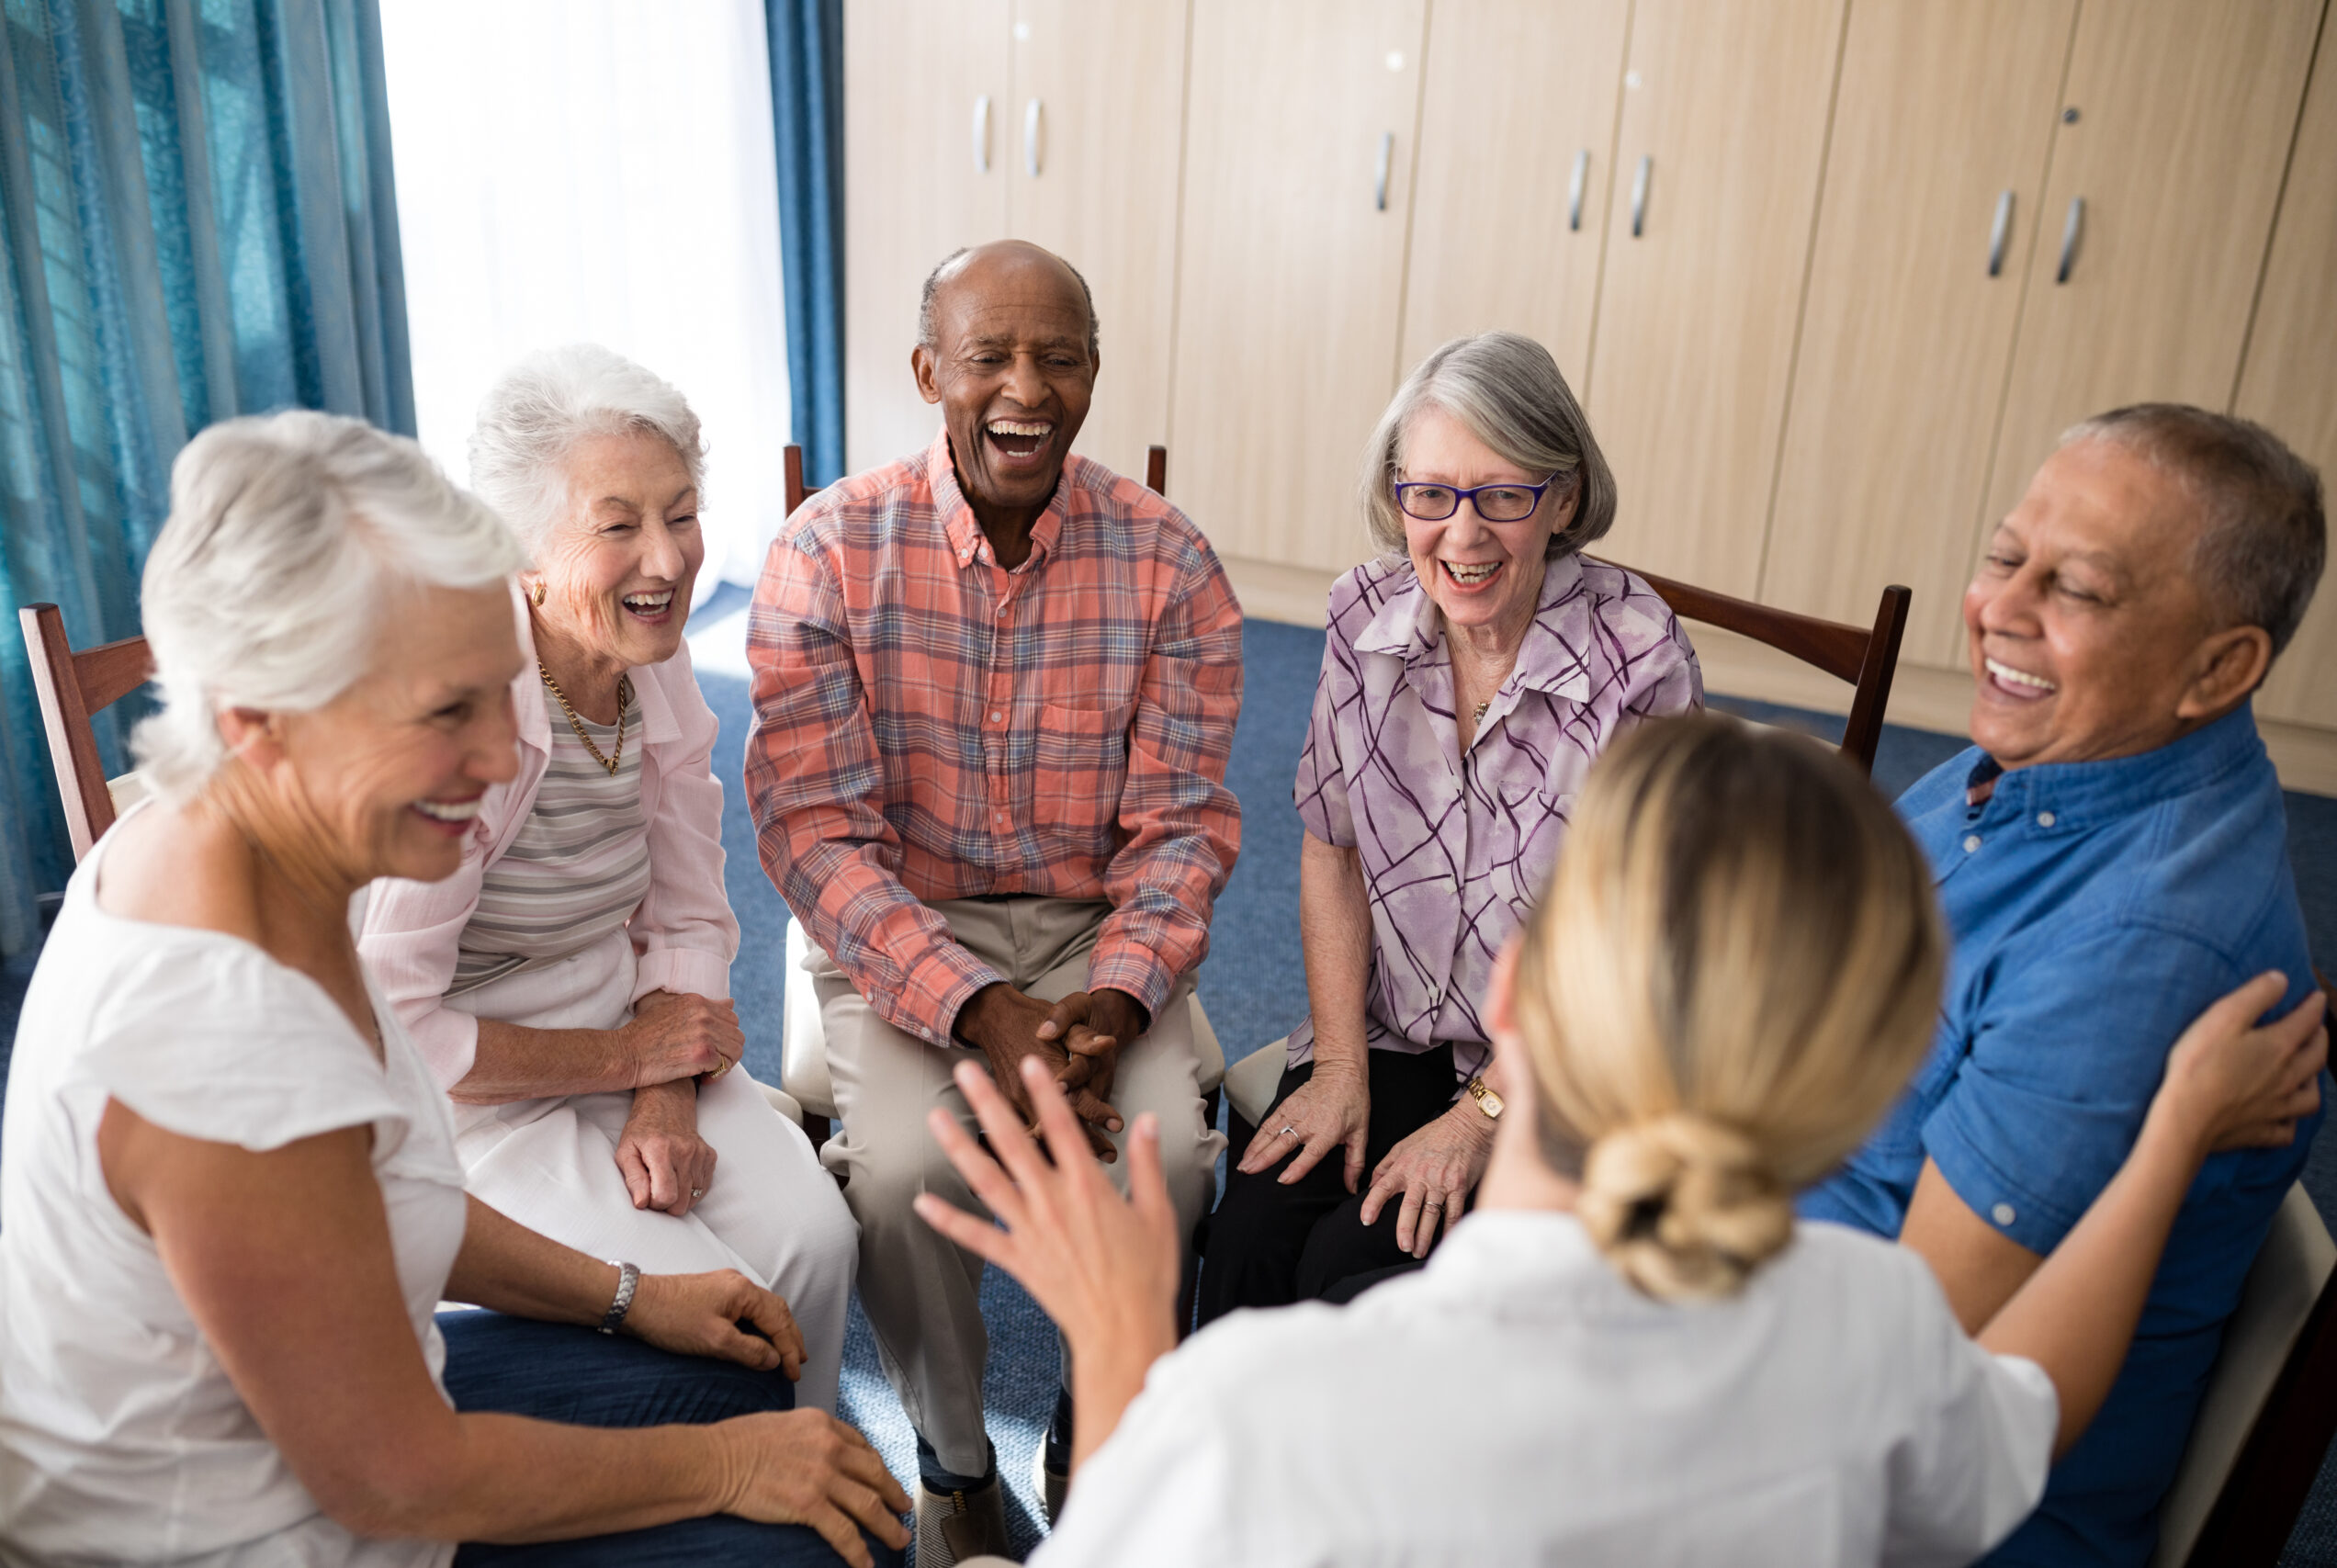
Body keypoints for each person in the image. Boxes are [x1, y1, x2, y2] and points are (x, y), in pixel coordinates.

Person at [915, 716, 2328, 1566]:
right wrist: (2168, 1144)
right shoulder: (1874, 1325)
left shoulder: (1259, 1411)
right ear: (1862, 1082)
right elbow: (2023, 1409)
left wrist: (1114, 1356)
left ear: (1509, 991)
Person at [0, 412, 909, 1568]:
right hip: (254, 1531)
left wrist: (627, 1296)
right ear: (257, 723)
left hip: (321, 1428)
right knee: (823, 1530)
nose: (497, 756)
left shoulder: (221, 848)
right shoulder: (224, 1047)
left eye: (496, 696)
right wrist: (727, 1467)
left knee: (748, 1374)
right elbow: (392, 1477)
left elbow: (374, 1200)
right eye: (443, 713)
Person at [748, 240, 1238, 1561]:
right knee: (905, 1171)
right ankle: (960, 1461)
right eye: (989, 356)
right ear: (927, 374)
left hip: (1098, 935)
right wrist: (983, 1015)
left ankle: (1103, 1413)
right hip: (906, 927)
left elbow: (1183, 826)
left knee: (1174, 1159)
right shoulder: (827, 553)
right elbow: (817, 838)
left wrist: (1119, 998)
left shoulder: (1172, 563)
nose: (1027, 386)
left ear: (1094, 373)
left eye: (1060, 355)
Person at [1801, 404, 2331, 1567]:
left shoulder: (2141, 949)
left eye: (2077, 591)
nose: (1997, 607)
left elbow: (1894, 1372)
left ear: (2219, 667)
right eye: (2003, 557)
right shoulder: (2037, 759)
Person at [360, 345, 856, 1413]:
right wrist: (626, 1054)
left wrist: (662, 1086)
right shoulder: (458, 715)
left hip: (629, 1033)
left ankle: (800, 1483)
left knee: (816, 1237)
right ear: (520, 556)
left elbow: (688, 903)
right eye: (618, 523)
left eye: (681, 514)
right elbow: (394, 1023)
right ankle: (719, 1489)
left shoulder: (649, 654)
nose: (668, 561)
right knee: (702, 1308)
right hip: (473, 1095)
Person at [1200, 331, 1699, 1319]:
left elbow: (1632, 945)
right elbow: (1331, 847)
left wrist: (1483, 1118)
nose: (1461, 536)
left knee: (1349, 1270)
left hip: (1556, 1066)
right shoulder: (1362, 615)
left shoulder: (1638, 662)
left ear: (1561, 498)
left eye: (1502, 495)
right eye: (1430, 494)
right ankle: (1225, 1474)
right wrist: (1340, 1063)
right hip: (1390, 1027)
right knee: (1251, 1234)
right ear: (1397, 496)